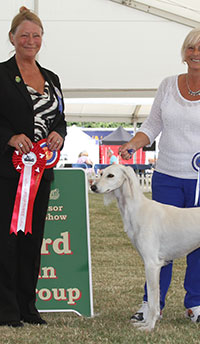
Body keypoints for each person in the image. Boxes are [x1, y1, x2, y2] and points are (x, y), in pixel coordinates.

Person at [119, 27, 200, 325]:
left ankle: (195, 304)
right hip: (167, 176)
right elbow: (152, 125)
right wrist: (134, 143)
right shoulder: (167, 86)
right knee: (157, 243)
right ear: (184, 52)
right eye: (191, 48)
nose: (196, 53)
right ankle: (152, 303)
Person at [0, 7, 67, 327]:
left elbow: (60, 119)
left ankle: (28, 306)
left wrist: (59, 134)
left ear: (42, 40)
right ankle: (6, 309)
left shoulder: (51, 78)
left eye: (36, 35)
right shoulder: (0, 74)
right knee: (6, 241)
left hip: (41, 174)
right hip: (7, 173)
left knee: (32, 239)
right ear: (11, 38)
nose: (30, 41)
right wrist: (9, 137)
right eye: (24, 35)